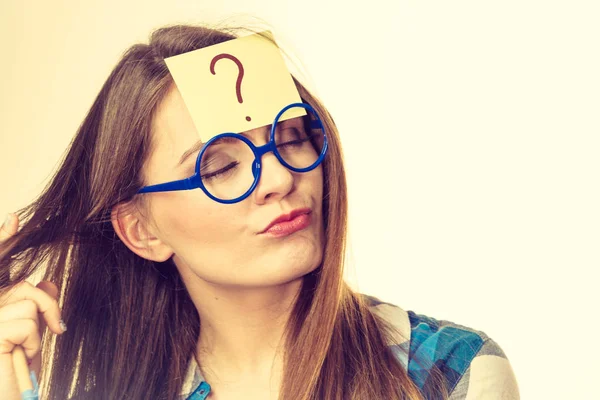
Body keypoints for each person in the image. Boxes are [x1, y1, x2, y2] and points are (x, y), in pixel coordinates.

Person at [0, 24, 519, 399]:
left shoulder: (453, 374)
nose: (279, 179)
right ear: (142, 231)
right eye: (219, 167)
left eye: (291, 137)